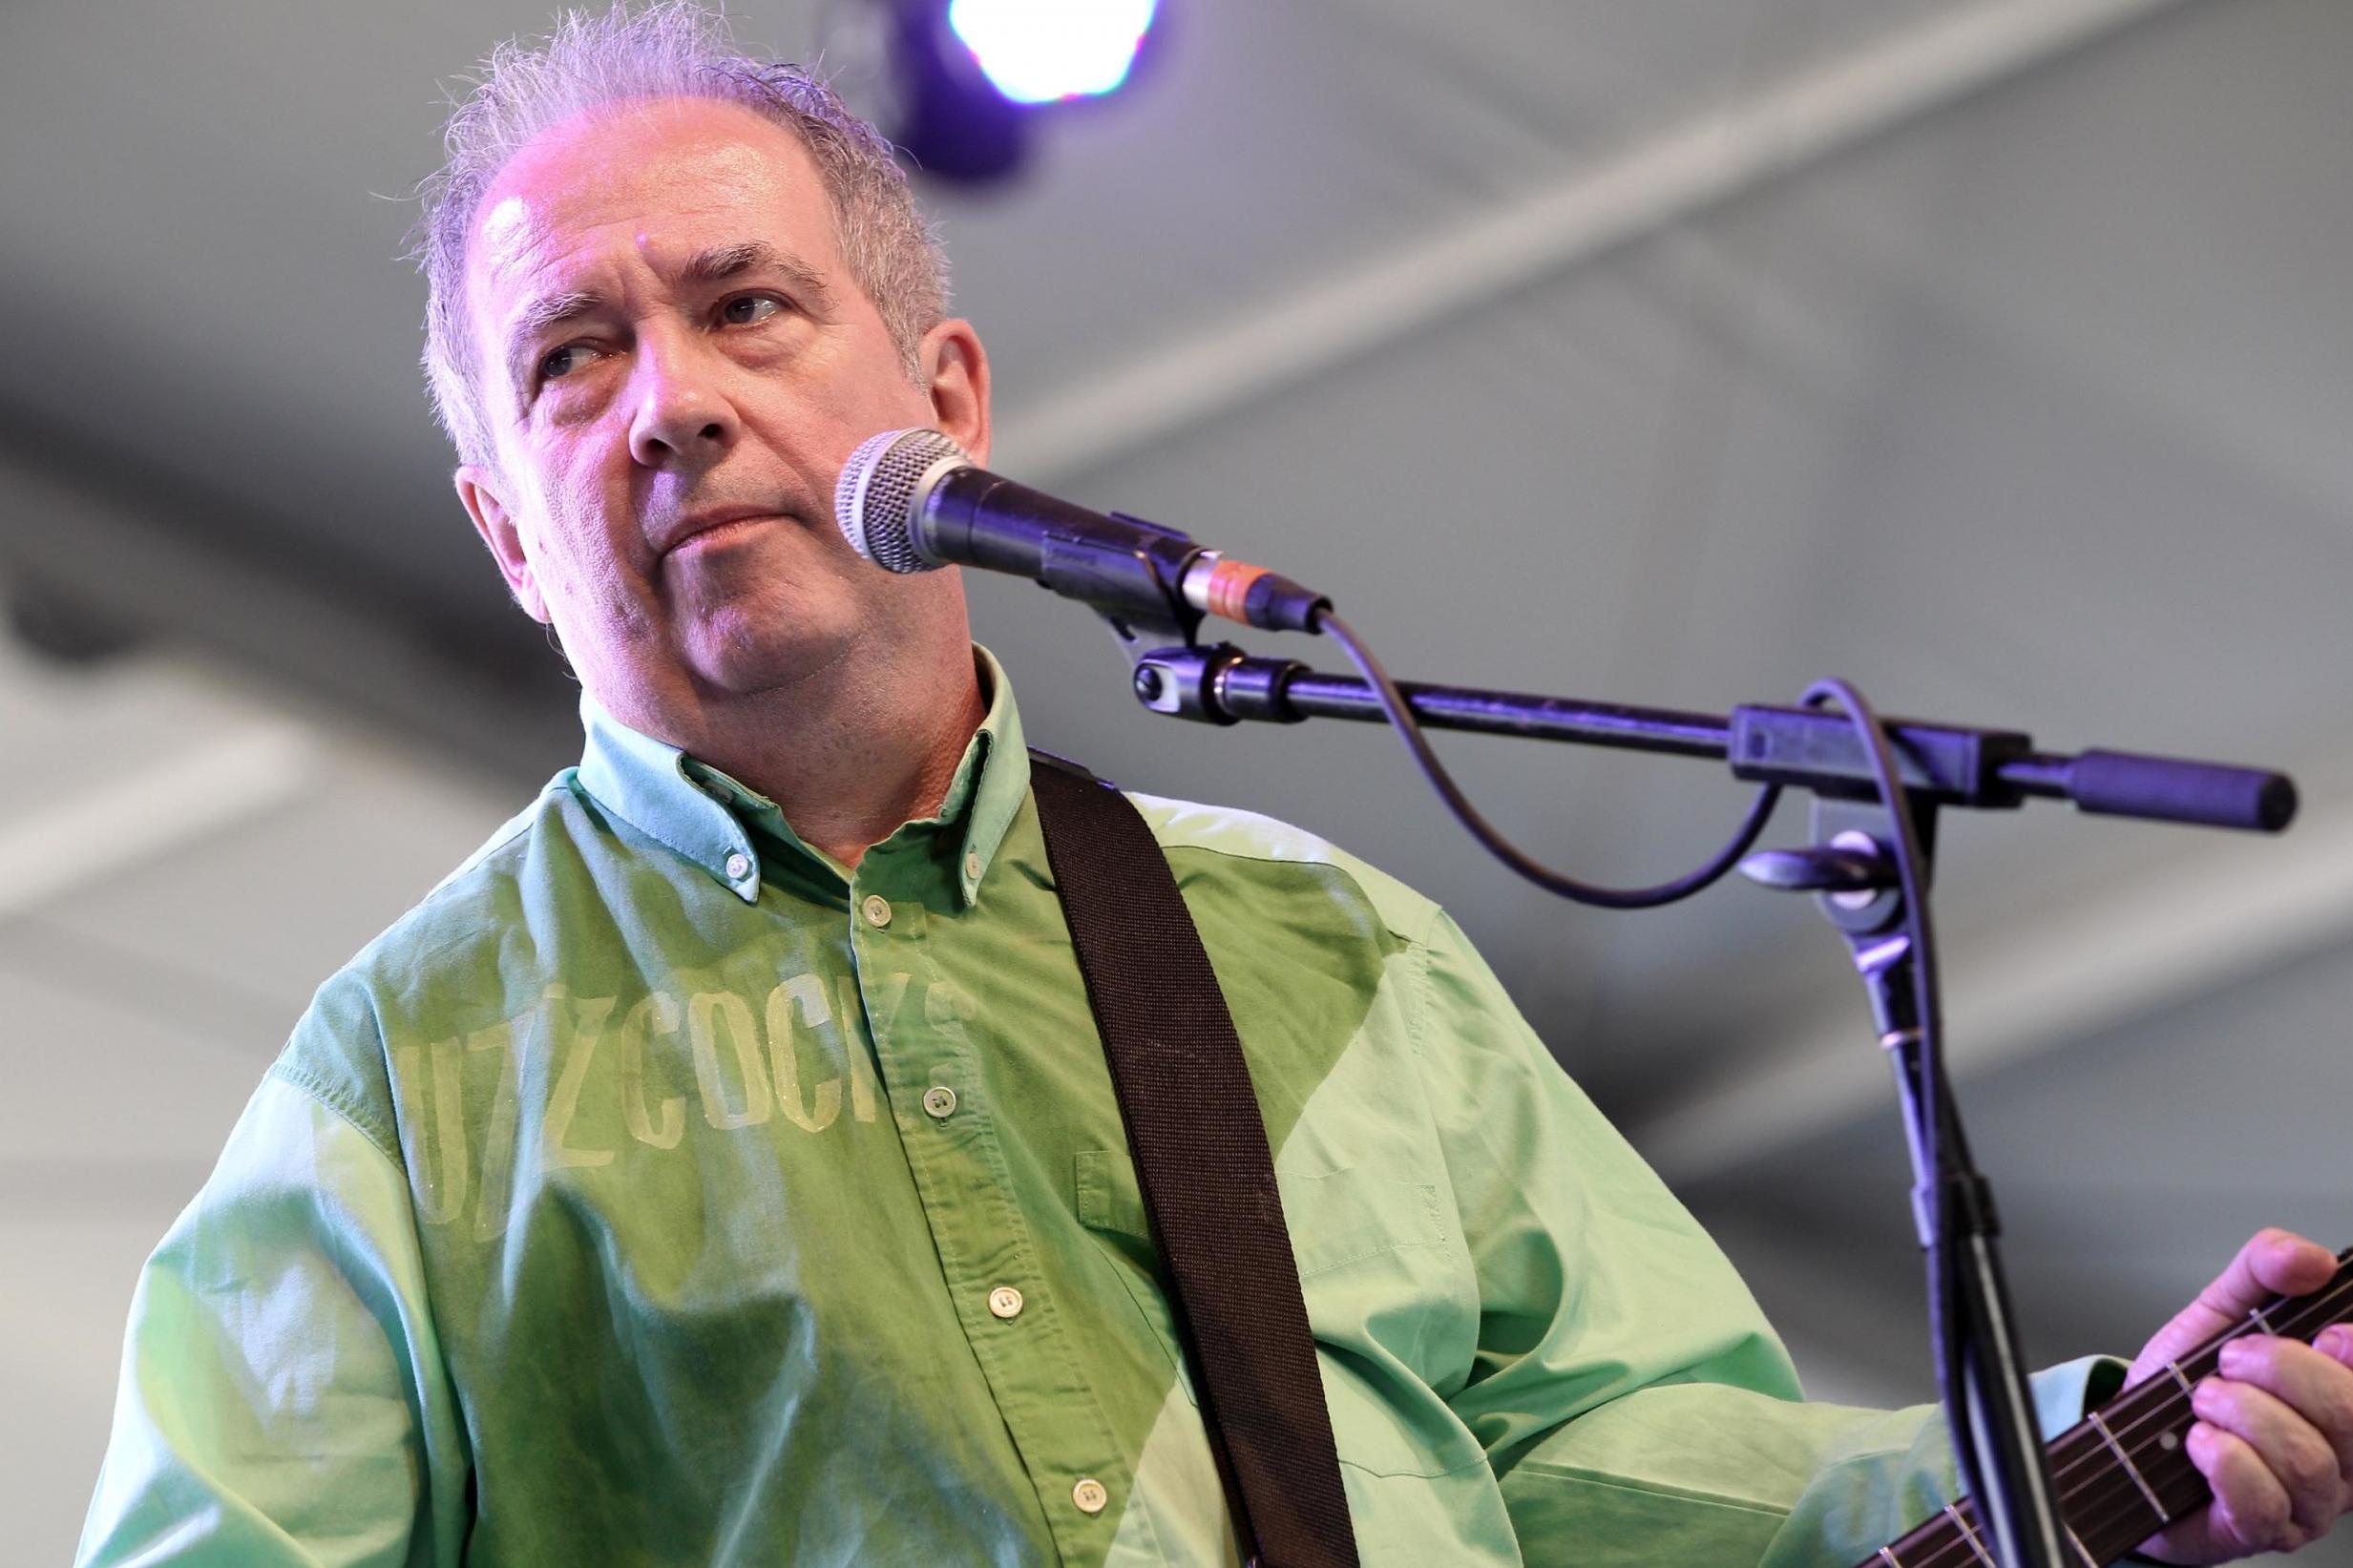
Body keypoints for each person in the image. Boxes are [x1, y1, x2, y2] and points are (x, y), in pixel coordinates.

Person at [74, 6, 2353, 1565]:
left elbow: (1675, 1488)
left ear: (941, 396)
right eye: (573, 358)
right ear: (503, 536)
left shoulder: (1323, 952)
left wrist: (2095, 1449)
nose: (665, 401)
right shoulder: (409, 1085)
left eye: (744, 307)